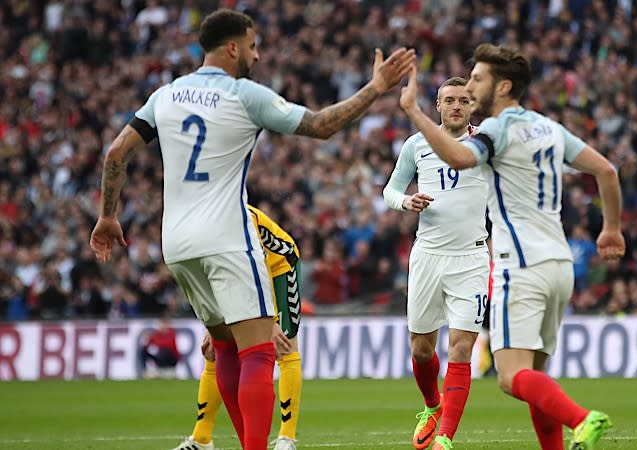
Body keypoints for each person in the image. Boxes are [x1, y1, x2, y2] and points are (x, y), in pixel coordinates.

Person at [88, 9, 415, 450]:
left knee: (223, 348)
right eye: (254, 45)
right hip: (227, 236)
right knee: (259, 353)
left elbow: (115, 153)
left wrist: (108, 215)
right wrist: (376, 88)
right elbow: (321, 126)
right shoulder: (244, 95)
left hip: (177, 243)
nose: (258, 56)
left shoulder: (164, 95)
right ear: (233, 47)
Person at [399, 43, 625, 450]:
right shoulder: (550, 128)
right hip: (560, 266)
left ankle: (582, 418)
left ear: (503, 87)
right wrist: (611, 230)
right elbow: (607, 170)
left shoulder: (494, 131)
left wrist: (414, 111)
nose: (470, 86)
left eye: (478, 79)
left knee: (509, 376)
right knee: (535, 377)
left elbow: (458, 158)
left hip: (519, 267)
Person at [382, 77, 489, 450]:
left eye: (464, 100)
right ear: (438, 106)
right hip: (427, 254)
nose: (457, 106)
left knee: (461, 348)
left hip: (472, 257)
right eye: (450, 100)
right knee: (421, 349)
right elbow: (390, 189)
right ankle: (432, 406)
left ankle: (445, 438)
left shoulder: (486, 143)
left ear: (472, 106)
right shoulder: (416, 144)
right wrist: (405, 202)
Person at [175, 206, 304, 450]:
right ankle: (202, 438)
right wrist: (213, 325)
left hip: (278, 267)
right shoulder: (200, 227)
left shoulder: (236, 217)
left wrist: (270, 320)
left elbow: (257, 266)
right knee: (216, 350)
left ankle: (287, 438)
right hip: (240, 276)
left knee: (285, 347)